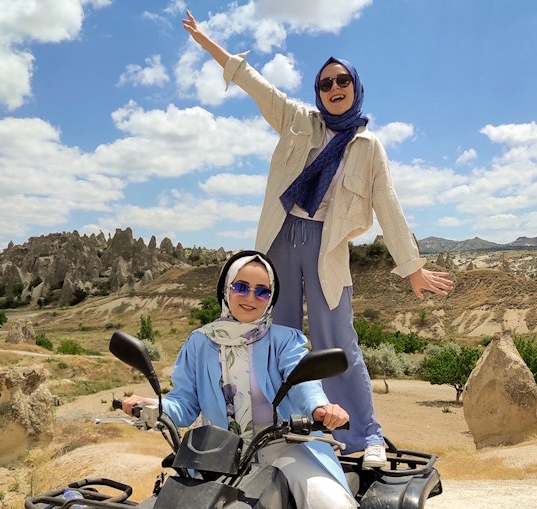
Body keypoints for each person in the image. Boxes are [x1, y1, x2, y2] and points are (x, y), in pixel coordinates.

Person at [183, 11, 455, 468]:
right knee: (274, 339)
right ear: (318, 92)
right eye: (325, 83)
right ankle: (279, 432)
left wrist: (412, 266)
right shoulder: (296, 119)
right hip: (279, 237)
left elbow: (387, 205)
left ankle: (362, 435)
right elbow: (254, 83)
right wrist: (210, 45)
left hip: (327, 247)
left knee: (337, 343)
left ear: (355, 86)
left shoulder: (368, 148)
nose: (333, 88)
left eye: (341, 80)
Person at [121, 250, 360, 509]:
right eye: (241, 287)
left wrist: (320, 408)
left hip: (283, 447)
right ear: (226, 289)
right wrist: (153, 406)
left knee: (331, 508)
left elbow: (301, 379)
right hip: (218, 457)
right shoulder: (200, 342)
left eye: (262, 291)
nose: (250, 297)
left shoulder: (284, 340)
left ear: (271, 298)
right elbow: (184, 403)